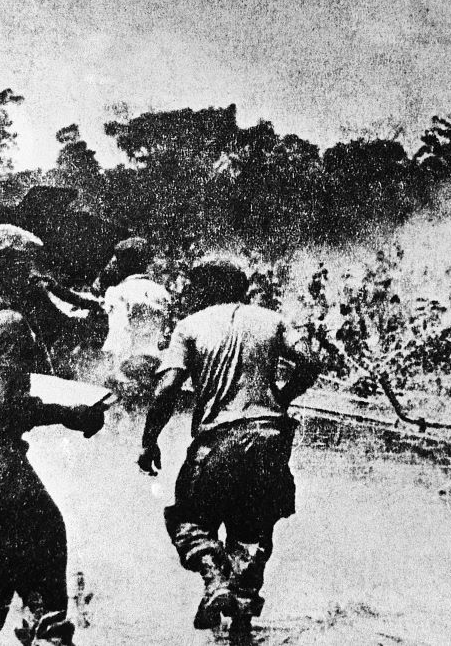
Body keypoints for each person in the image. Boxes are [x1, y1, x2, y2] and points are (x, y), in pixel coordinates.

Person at [0, 225, 105, 646]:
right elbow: (8, 404)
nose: (32, 276)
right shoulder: (6, 323)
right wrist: (70, 413)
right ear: (3, 267)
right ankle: (45, 631)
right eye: (23, 266)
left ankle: (37, 626)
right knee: (37, 546)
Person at [138, 255, 320, 633]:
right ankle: (240, 607)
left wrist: (149, 440)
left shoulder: (189, 327)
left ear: (204, 288)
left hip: (217, 439)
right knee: (252, 530)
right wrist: (281, 398)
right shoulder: (272, 321)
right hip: (269, 437)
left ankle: (213, 578)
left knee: (190, 520)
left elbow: (167, 387)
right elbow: (310, 362)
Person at [98, 237, 171, 408]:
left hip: (128, 362)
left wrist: (114, 369)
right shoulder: (161, 292)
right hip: (156, 363)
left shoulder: (117, 292)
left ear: (123, 263)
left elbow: (119, 332)